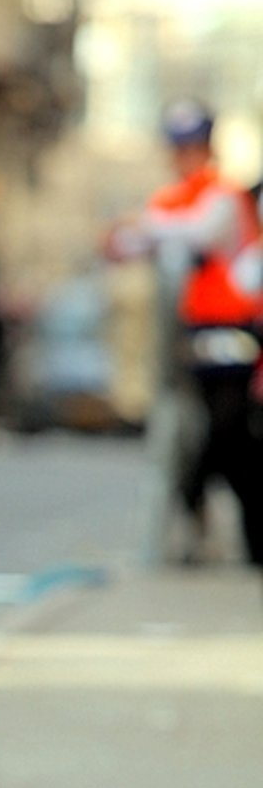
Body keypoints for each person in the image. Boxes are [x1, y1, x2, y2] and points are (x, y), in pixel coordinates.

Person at [106, 98, 263, 567]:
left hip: (234, 334)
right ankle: (197, 519)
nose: (184, 157)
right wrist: (123, 235)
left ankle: (220, 521)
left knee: (228, 438)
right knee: (199, 438)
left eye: (192, 147)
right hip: (189, 339)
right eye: (178, 148)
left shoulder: (223, 197)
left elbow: (198, 232)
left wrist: (143, 226)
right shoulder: (169, 199)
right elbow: (126, 244)